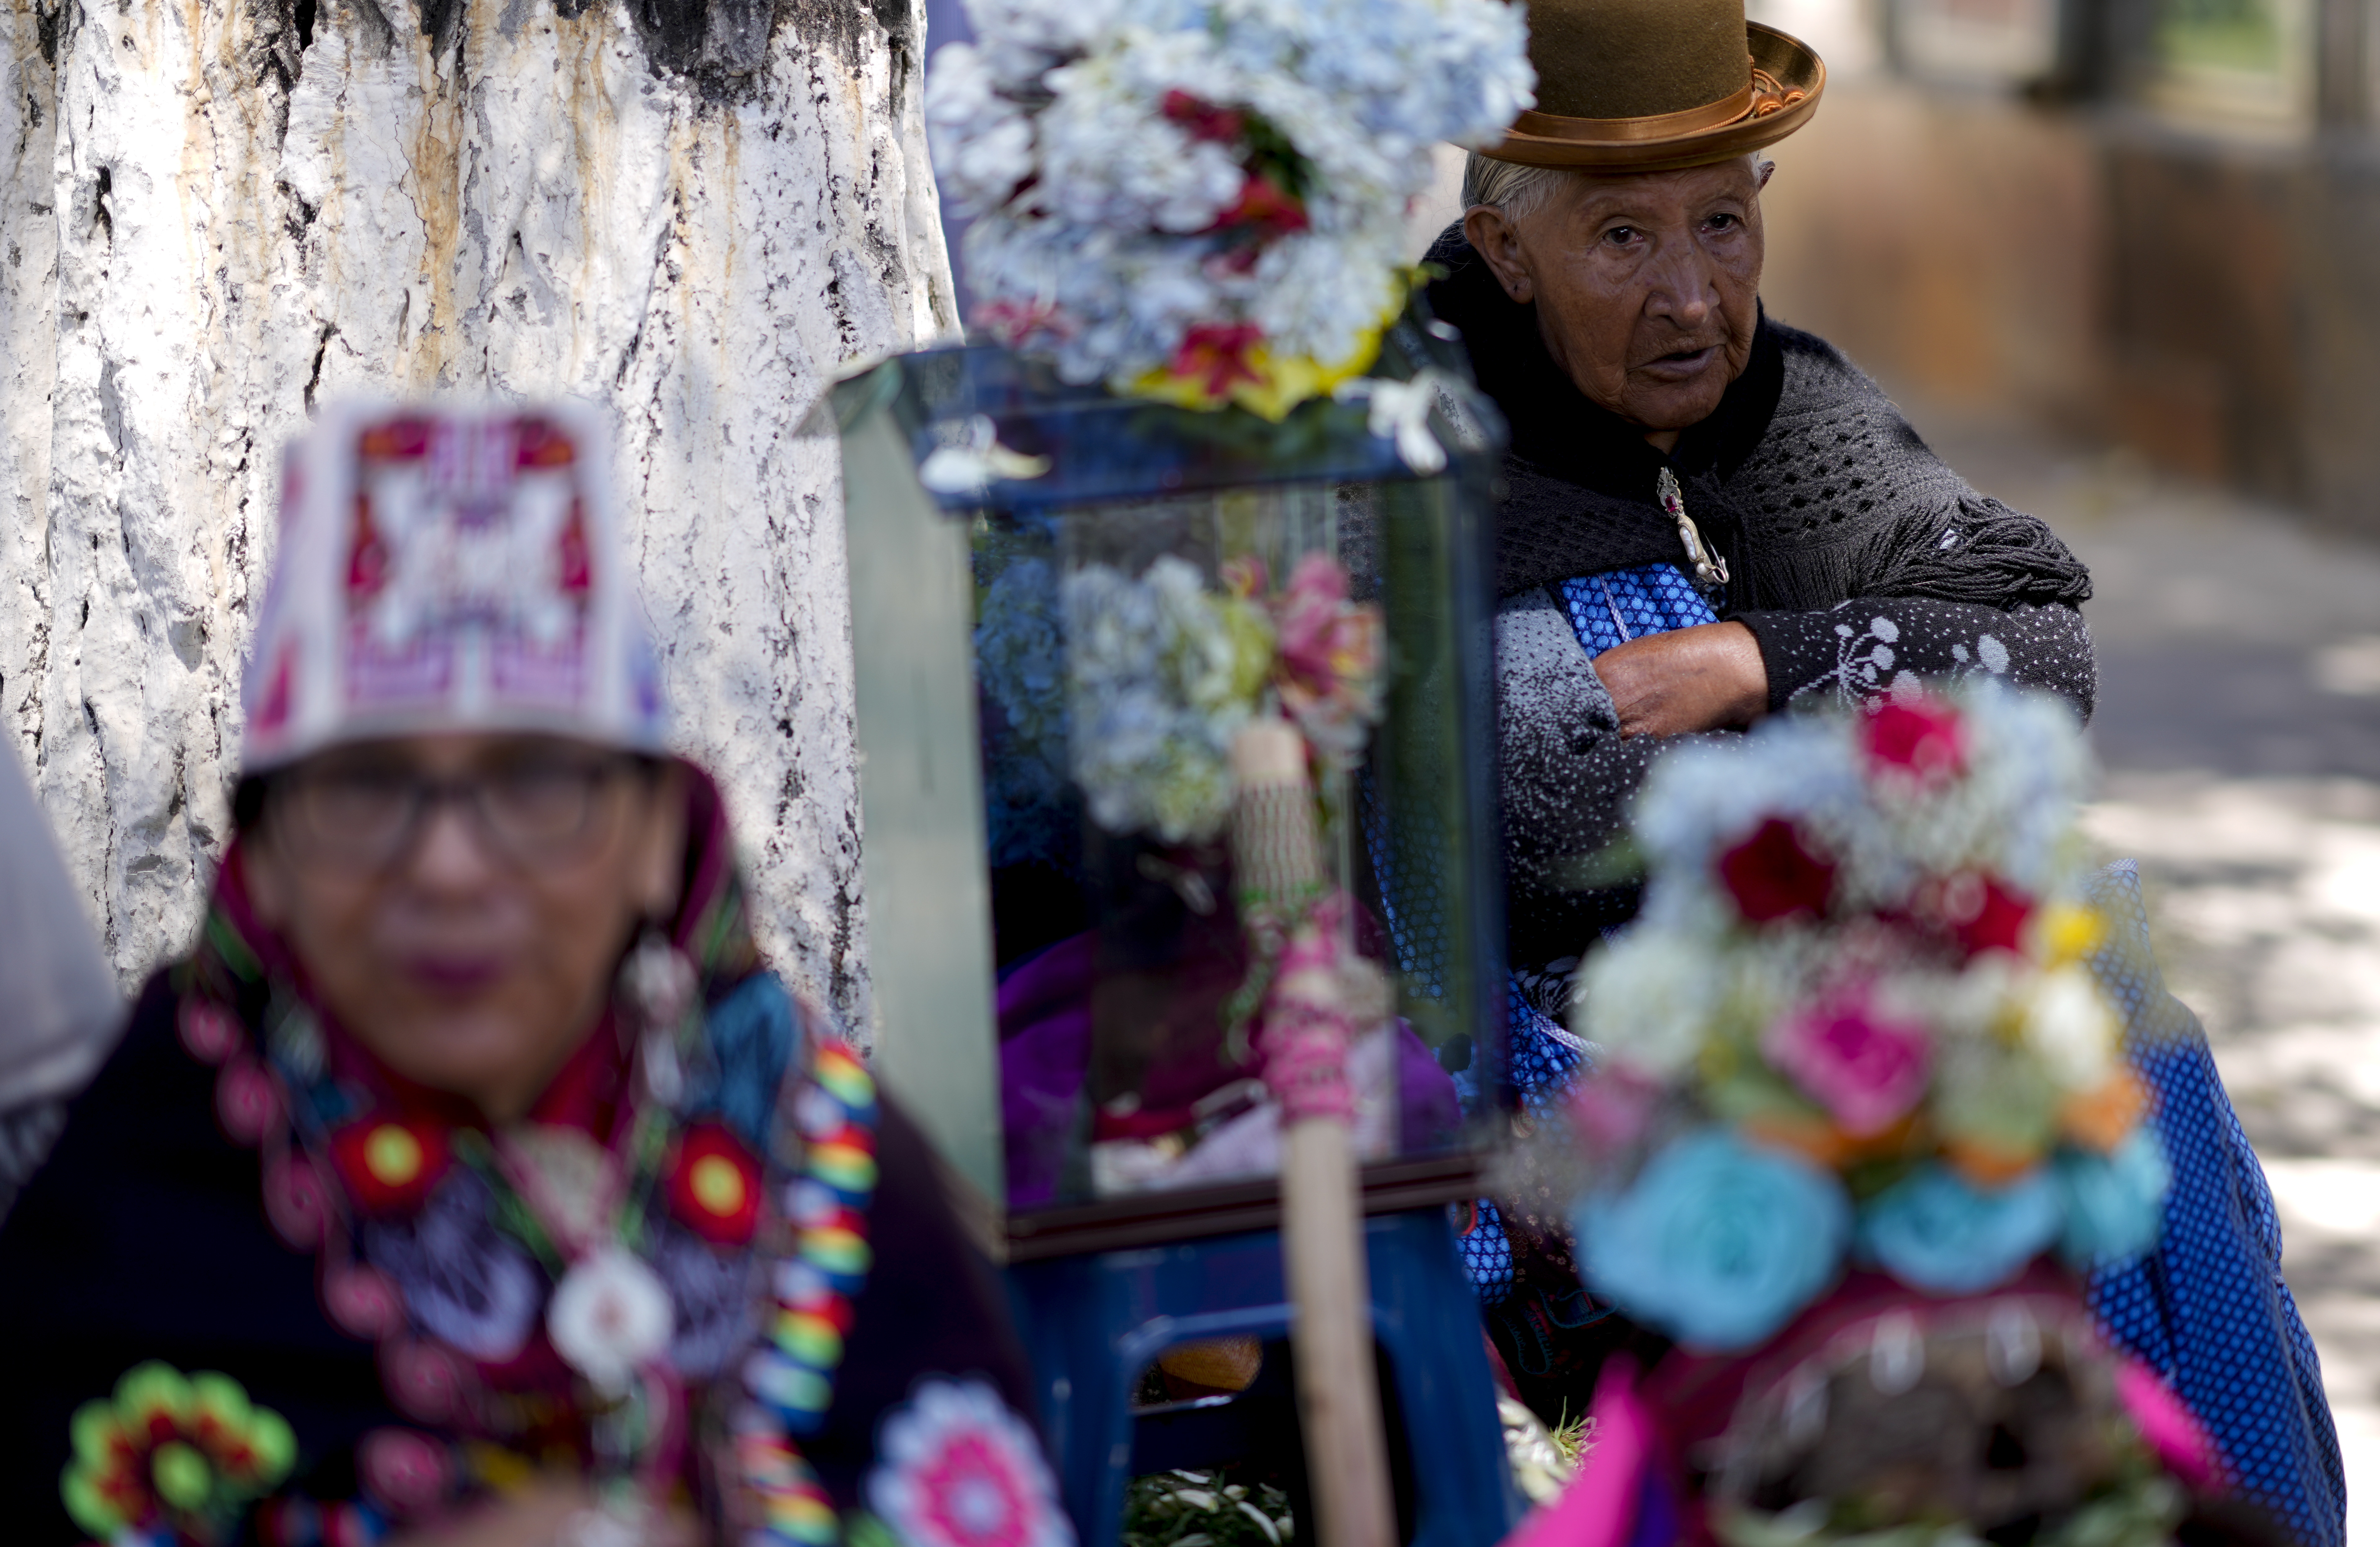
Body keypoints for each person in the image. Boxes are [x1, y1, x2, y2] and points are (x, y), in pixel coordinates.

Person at [1429, 5, 2342, 1543]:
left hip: (1822, 981)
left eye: (1724, 222)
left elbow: (2042, 663)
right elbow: (1563, 787)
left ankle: (2197, 1501)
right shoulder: (1423, 433)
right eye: (1622, 237)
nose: (1691, 295)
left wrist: (1756, 662)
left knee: (2110, 1007)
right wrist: (1865, 694)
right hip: (1572, 1049)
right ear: (1506, 253)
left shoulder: (1785, 405)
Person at [0, 405, 1075, 1547]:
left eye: (535, 782)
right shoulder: (144, 1194)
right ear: (259, 866)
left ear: (662, 837)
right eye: (364, 788)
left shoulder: (821, 1152)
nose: (451, 867)